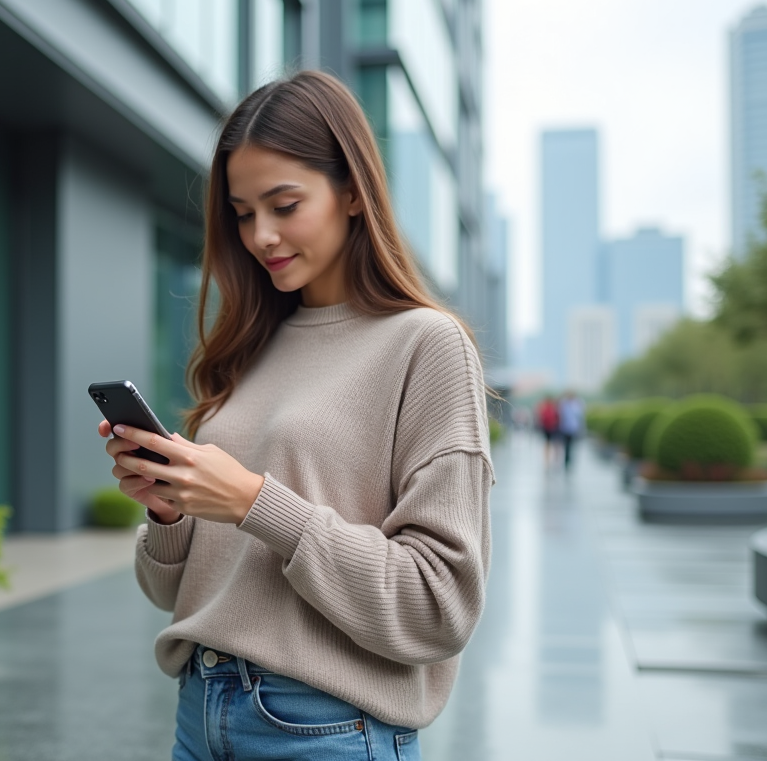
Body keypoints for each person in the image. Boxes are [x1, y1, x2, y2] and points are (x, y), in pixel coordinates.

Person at [97, 71, 493, 760]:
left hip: (325, 727)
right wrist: (169, 512)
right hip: (201, 708)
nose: (262, 235)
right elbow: (171, 592)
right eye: (244, 213)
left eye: (284, 204)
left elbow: (439, 607)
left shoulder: (426, 346)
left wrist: (257, 502)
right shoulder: (253, 344)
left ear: (350, 192)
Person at [558, 390, 585, 469]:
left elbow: (580, 417)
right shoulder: (564, 404)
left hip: (573, 428)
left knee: (571, 445)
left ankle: (569, 459)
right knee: (567, 445)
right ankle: (567, 459)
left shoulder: (577, 403)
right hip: (565, 428)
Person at [536, 395, 560, 467]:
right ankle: (554, 456)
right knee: (554, 442)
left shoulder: (544, 408)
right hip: (553, 427)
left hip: (546, 428)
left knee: (547, 442)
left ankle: (547, 457)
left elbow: (541, 418)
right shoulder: (554, 408)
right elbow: (558, 418)